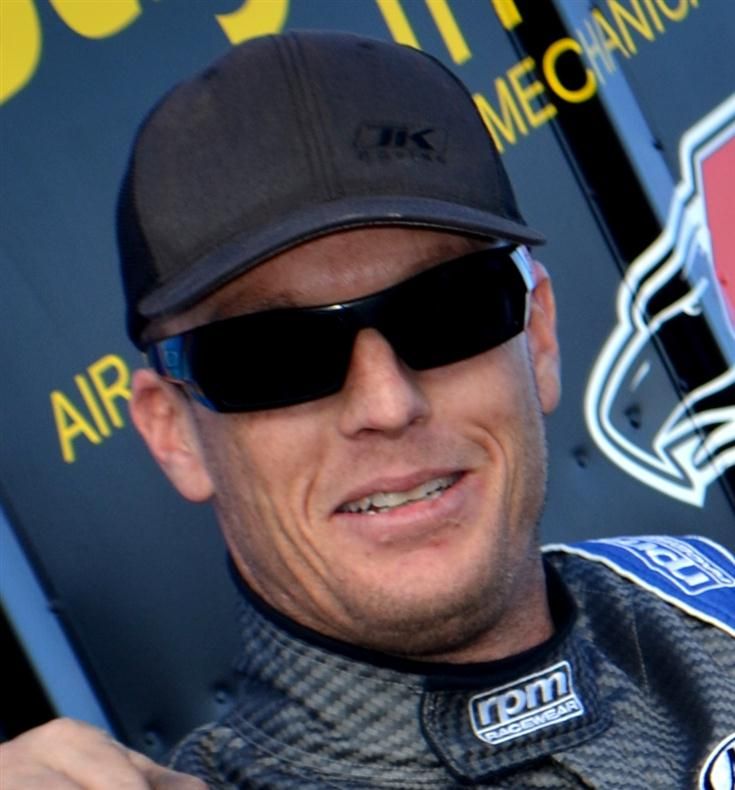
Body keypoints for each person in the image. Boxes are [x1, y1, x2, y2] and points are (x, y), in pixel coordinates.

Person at [2, 30, 733, 790]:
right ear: (174, 432)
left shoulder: (710, 610)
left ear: (538, 335)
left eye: (445, 310)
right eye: (274, 353)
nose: (387, 403)